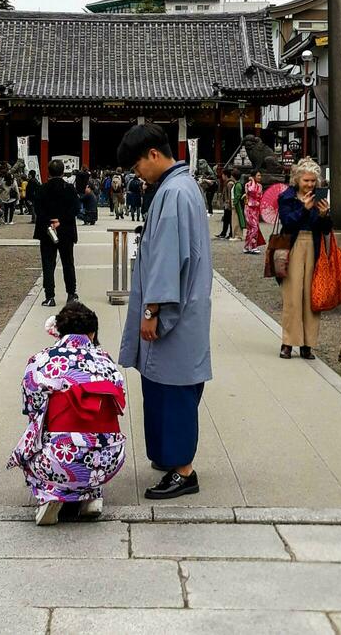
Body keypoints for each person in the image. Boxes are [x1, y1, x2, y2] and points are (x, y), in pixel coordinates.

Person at [117, 122, 212, 500]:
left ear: (154, 155)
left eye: (137, 165)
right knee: (162, 383)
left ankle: (183, 470)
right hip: (184, 306)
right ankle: (168, 456)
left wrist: (152, 310)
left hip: (173, 309)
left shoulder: (173, 193)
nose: (136, 173)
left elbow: (168, 259)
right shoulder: (180, 187)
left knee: (173, 387)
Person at [7, 303, 126, 526]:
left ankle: (50, 495)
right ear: (92, 333)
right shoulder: (107, 362)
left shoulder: (42, 360)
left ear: (58, 331)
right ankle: (92, 495)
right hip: (108, 460)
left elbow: (30, 406)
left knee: (35, 433)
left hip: (58, 458)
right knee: (94, 438)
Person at [278, 158, 332, 360]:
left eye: (313, 181)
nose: (309, 184)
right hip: (293, 245)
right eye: (306, 180)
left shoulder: (319, 199)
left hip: (314, 246)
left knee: (312, 296)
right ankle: (288, 342)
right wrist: (304, 209)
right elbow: (288, 222)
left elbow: (326, 229)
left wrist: (325, 215)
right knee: (292, 297)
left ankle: (308, 344)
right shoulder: (287, 197)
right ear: (297, 180)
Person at [34, 158, 81, 308]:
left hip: (47, 230)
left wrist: (51, 220)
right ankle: (71, 294)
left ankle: (49, 296)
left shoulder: (42, 189)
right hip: (65, 229)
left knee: (48, 264)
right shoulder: (69, 189)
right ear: (63, 172)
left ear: (49, 172)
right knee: (68, 263)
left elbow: (38, 210)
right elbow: (75, 209)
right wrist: (60, 220)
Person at [243, 171, 265, 253]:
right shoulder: (248, 184)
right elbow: (251, 191)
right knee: (254, 227)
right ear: (253, 176)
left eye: (260, 175)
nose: (260, 177)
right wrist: (252, 181)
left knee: (251, 228)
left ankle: (246, 247)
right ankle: (252, 246)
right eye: (258, 175)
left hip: (256, 209)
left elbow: (260, 196)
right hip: (249, 208)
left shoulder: (260, 186)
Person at [215, 171, 233, 239]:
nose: (222, 176)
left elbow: (229, 195)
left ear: (225, 175)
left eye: (222, 175)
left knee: (229, 219)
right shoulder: (227, 183)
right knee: (226, 219)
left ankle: (230, 233)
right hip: (226, 203)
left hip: (228, 204)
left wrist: (228, 203)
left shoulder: (229, 183)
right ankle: (224, 232)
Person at [231, 169, 246, 241]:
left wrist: (234, 203)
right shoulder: (237, 184)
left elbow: (237, 195)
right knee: (235, 219)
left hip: (237, 204)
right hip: (236, 203)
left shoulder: (238, 185)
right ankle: (236, 235)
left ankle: (238, 235)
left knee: (236, 219)